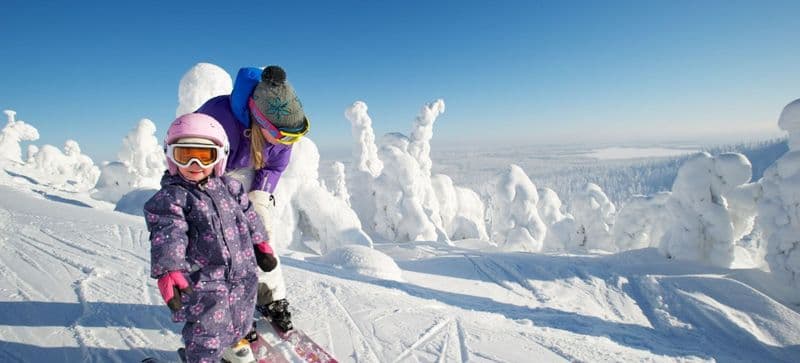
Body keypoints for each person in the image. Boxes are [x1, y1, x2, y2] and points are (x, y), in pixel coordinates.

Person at [144, 113, 278, 363]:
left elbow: (249, 215)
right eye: (185, 155)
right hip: (204, 283)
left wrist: (260, 242)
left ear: (220, 156)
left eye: (205, 155)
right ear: (171, 157)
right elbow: (167, 231)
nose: (195, 163)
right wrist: (169, 268)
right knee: (206, 335)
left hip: (243, 275)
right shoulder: (173, 197)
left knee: (241, 318)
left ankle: (232, 343)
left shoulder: (231, 187)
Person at [195, 65, 309, 332]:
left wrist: (259, 197)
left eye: (296, 135)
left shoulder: (282, 137)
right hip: (213, 175)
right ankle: (230, 305)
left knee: (262, 239)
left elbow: (274, 167)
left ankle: (271, 298)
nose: (288, 141)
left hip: (252, 175)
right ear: (260, 120)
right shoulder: (217, 118)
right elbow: (195, 160)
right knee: (225, 244)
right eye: (283, 134)